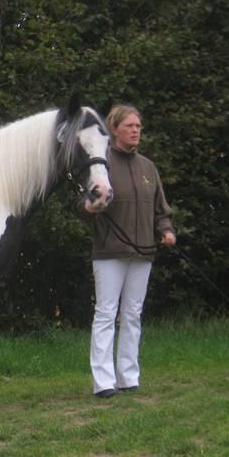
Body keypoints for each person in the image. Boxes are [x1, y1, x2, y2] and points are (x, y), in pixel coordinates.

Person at [77, 104, 176, 398]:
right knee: (106, 313)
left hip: (143, 252)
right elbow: (81, 205)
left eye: (139, 126)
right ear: (115, 129)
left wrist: (166, 230)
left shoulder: (148, 167)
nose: (136, 131)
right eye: (130, 126)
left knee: (133, 314)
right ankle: (103, 383)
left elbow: (161, 209)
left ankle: (129, 377)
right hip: (109, 252)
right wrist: (88, 207)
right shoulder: (101, 162)